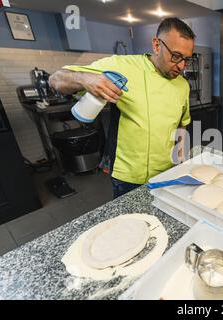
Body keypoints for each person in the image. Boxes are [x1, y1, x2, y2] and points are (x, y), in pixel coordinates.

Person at [49, 18, 194, 198]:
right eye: (176, 56)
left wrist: (180, 160)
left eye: (187, 60)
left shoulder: (182, 85)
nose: (181, 66)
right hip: (128, 175)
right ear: (157, 45)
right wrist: (86, 79)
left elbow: (182, 123)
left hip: (165, 173)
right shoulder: (121, 66)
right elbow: (56, 79)